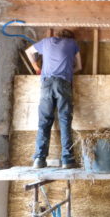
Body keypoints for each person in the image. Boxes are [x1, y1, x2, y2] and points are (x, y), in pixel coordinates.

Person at [25, 29, 82, 169]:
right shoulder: (73, 44)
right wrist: (68, 71)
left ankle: (39, 159)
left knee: (44, 122)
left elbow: (29, 52)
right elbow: (79, 66)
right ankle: (67, 160)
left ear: (57, 36)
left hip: (47, 83)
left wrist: (37, 68)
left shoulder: (45, 42)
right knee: (64, 121)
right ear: (70, 37)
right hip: (63, 83)